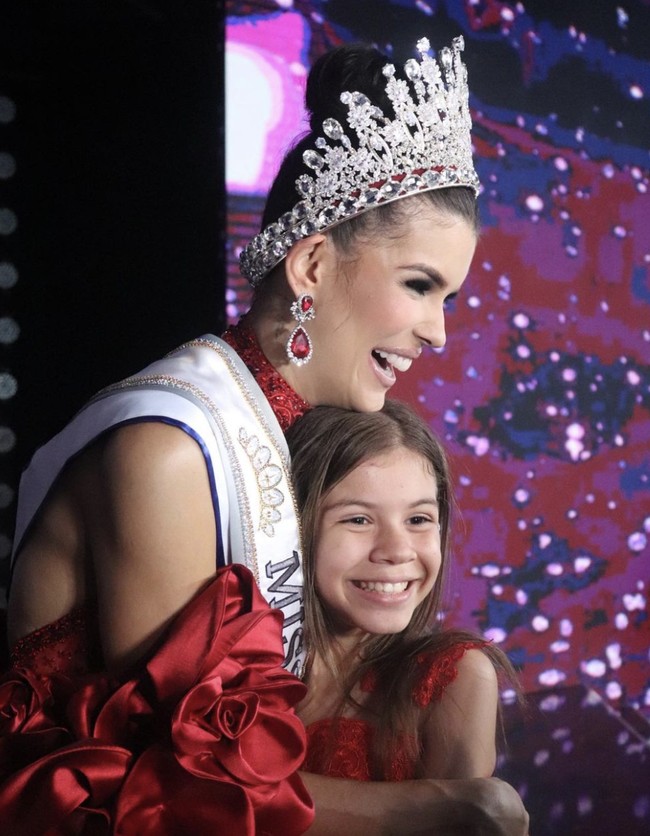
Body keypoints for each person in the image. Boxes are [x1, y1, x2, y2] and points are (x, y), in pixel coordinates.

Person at [1, 33, 528, 835]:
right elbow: (184, 788)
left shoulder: (282, 433)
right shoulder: (174, 449)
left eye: (448, 298)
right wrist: (448, 805)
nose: (438, 333)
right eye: (420, 286)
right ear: (312, 266)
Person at [287, 400, 520, 782]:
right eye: (358, 519)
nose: (397, 551)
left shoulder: (454, 682)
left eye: (418, 519)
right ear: (294, 528)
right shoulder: (227, 667)